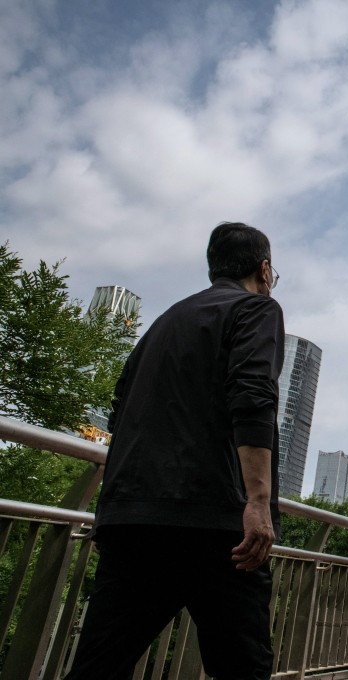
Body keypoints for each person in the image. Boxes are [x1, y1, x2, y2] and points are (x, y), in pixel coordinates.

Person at [65, 222, 285, 680]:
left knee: (98, 665)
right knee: (243, 667)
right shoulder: (256, 310)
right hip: (217, 527)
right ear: (264, 270)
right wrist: (258, 502)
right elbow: (252, 398)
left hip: (135, 519)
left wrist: (110, 510)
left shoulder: (164, 322)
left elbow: (119, 415)